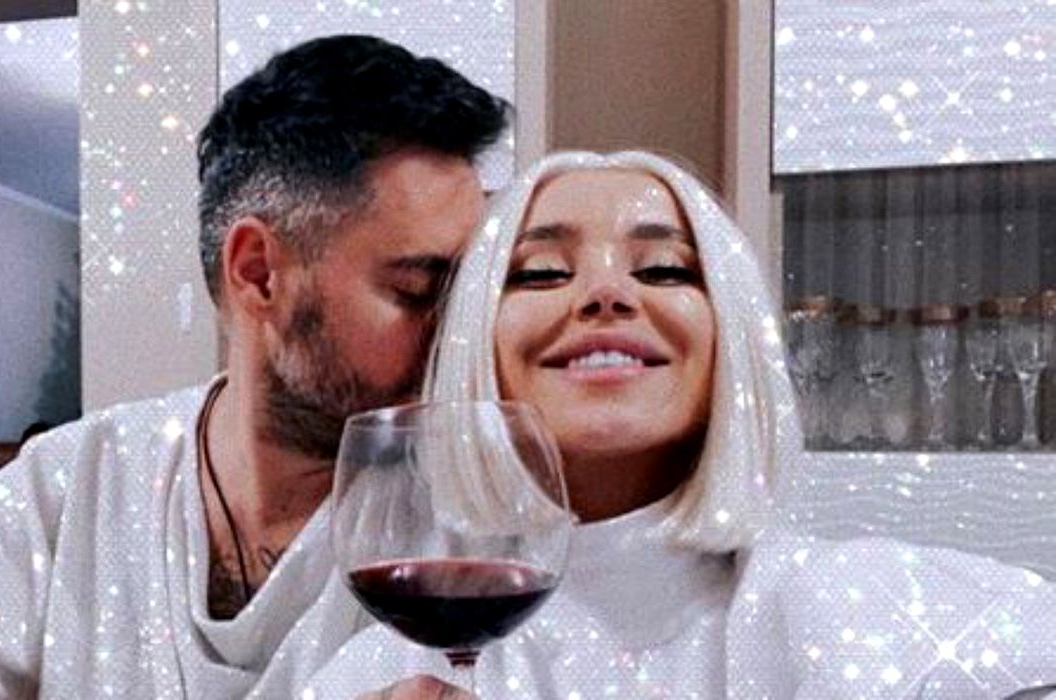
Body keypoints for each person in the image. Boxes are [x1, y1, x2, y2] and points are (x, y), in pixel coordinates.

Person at [0, 34, 508, 697]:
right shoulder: (75, 486)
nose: (458, 334)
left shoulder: (484, 521)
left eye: (469, 293)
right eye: (417, 291)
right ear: (259, 273)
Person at [228, 151, 1056, 698]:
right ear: (480, 349)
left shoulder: (874, 614)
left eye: (663, 268)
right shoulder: (380, 670)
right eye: (541, 273)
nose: (605, 293)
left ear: (731, 339)